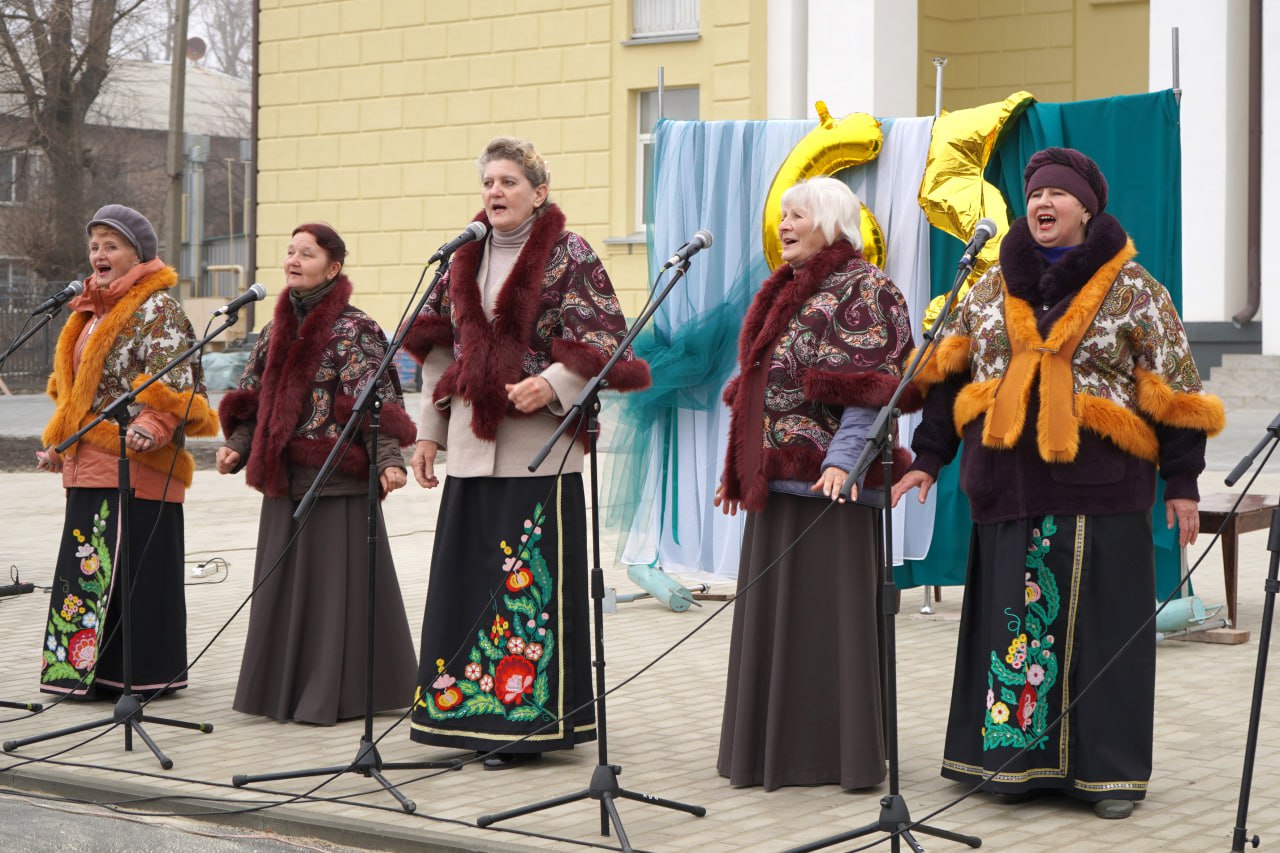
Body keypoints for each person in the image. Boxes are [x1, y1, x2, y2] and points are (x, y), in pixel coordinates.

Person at [891, 148, 1224, 819]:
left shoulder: (1135, 289)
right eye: (1036, 193)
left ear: (1086, 208)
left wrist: (1183, 484)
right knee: (1015, 628)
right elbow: (950, 378)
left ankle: (1107, 777)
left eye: (1058, 195)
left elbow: (1175, 392)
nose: (1043, 203)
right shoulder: (989, 285)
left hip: (1101, 488)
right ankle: (1012, 767)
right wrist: (928, 457)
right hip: (1007, 486)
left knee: (1103, 637)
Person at [404, 136, 650, 769]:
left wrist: (554, 384)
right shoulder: (462, 255)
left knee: (524, 590)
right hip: (469, 445)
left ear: (539, 193)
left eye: (509, 181)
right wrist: (428, 433)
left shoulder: (571, 254)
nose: (495, 192)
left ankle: (523, 725)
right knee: (467, 584)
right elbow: (439, 351)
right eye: (489, 182)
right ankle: (462, 716)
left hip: (539, 448)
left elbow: (607, 344)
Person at [715, 177, 916, 791]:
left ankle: (832, 755)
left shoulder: (868, 287)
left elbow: (871, 392)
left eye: (797, 215)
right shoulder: (785, 288)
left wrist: (843, 462)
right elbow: (758, 387)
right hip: (777, 486)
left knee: (827, 622)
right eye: (783, 215)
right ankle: (772, 751)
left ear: (831, 222)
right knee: (776, 623)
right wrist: (738, 470)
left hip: (831, 490)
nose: (784, 225)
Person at [216, 223, 419, 725]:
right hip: (284, 482)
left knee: (333, 595)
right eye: (290, 251)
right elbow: (253, 399)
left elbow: (376, 404)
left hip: (336, 483)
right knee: (284, 589)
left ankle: (339, 695)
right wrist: (237, 447)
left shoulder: (355, 329)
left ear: (333, 268)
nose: (293, 260)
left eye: (306, 253)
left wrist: (389, 459)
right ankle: (281, 693)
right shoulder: (274, 330)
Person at [37, 204, 219, 698]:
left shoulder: (159, 310)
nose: (98, 254)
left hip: (137, 464)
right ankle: (85, 674)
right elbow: (76, 394)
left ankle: (141, 675)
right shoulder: (89, 313)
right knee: (87, 566)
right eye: (94, 245)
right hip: (87, 463)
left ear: (137, 255)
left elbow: (174, 382)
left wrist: (152, 426)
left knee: (132, 573)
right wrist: (59, 445)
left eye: (110, 246)